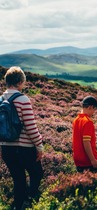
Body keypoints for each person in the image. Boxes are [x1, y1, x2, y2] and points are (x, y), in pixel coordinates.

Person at [0, 66, 44, 210]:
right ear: (19, 82)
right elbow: (31, 127)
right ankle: (30, 200)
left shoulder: (0, 99)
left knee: (18, 179)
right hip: (24, 148)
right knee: (37, 173)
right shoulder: (23, 99)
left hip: (6, 148)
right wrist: (39, 146)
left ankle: (18, 205)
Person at [72, 96, 97, 173]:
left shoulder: (76, 120)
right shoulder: (88, 122)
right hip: (88, 162)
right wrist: (93, 160)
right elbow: (86, 142)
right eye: (94, 109)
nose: (94, 112)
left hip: (78, 161)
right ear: (90, 107)